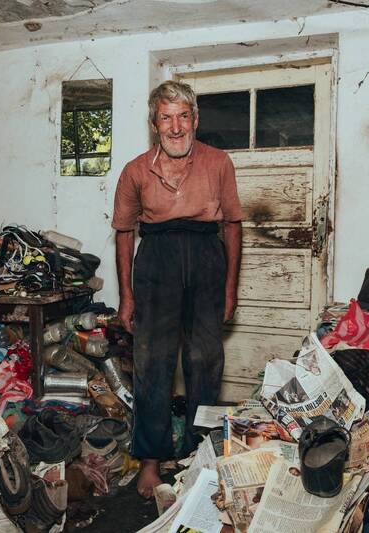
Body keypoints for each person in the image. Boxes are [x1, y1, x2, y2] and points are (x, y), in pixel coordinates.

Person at [111, 80, 243, 498]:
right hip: (157, 263)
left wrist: (230, 288)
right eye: (166, 118)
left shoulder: (218, 162)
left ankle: (197, 455)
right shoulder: (135, 170)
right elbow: (124, 233)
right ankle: (151, 462)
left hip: (207, 259)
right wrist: (127, 296)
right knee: (153, 364)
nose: (175, 126)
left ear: (195, 120)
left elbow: (233, 226)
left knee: (205, 361)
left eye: (183, 116)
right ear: (154, 124)